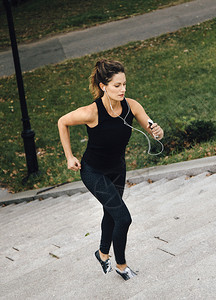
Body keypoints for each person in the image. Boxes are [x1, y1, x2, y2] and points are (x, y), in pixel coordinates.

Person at [57, 59, 164, 280]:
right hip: (93, 171)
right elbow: (62, 122)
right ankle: (121, 266)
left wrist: (156, 130)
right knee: (123, 217)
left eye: (124, 84)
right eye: (117, 85)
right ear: (103, 86)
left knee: (112, 213)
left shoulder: (131, 106)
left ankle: (102, 253)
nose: (123, 89)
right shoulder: (91, 112)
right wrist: (69, 156)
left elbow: (148, 123)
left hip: (117, 169)